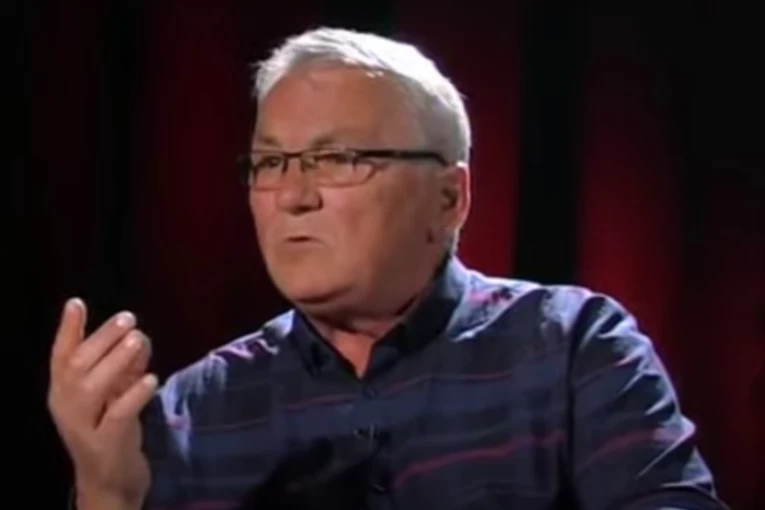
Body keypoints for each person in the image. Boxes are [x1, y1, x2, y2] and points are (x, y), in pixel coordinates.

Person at [47, 27, 728, 510]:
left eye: (337, 159)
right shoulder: (192, 410)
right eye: (272, 162)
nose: (293, 196)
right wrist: (108, 495)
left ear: (449, 198)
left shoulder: (574, 348)